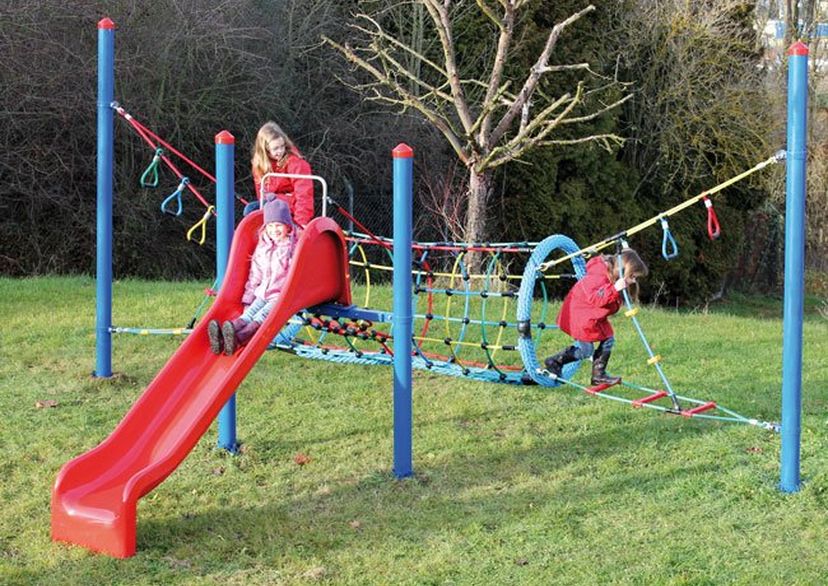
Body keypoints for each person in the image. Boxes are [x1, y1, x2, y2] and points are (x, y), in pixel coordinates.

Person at [544, 248, 648, 385]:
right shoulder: (597, 276)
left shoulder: (611, 275)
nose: (634, 281)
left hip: (593, 316)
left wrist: (617, 291)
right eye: (632, 277)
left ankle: (598, 375)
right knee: (586, 350)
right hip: (579, 317)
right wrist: (615, 289)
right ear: (623, 270)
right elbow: (596, 299)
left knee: (608, 338)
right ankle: (555, 361)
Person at [208, 198, 296, 355]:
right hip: (262, 292)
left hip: (280, 296)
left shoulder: (292, 248)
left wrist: (290, 295)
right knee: (249, 313)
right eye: (270, 225)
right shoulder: (263, 247)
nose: (274, 230)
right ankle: (224, 334)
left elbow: (296, 273)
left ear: (287, 226)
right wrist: (249, 296)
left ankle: (239, 339)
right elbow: (255, 274)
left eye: (278, 225)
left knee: (262, 316)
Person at [250, 121, 314, 229]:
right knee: (251, 209)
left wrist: (301, 223)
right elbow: (261, 194)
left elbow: (304, 195)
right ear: (265, 150)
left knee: (253, 209)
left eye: (282, 146)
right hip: (271, 205)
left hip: (290, 207)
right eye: (275, 148)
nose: (280, 151)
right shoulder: (260, 166)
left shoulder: (295, 163)